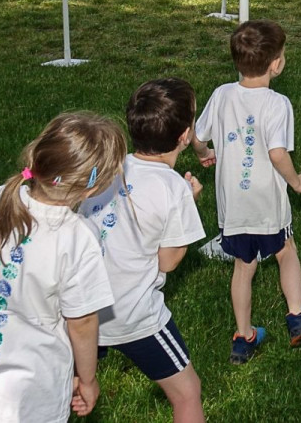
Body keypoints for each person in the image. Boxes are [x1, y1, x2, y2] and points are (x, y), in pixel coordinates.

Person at [0, 113, 126, 423]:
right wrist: (87, 379)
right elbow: (82, 321)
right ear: (91, 189)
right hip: (32, 400)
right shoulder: (76, 237)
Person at [192, 19, 301, 364]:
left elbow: (198, 137)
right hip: (267, 205)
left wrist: (204, 154)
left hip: (234, 208)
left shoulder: (222, 94)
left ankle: (244, 337)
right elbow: (277, 152)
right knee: (286, 250)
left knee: (243, 265)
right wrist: (297, 181)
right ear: (276, 64)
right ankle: (298, 317)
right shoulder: (277, 104)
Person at [80, 79, 207, 422]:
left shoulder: (107, 166)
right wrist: (187, 204)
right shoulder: (173, 189)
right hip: (134, 315)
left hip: (81, 309)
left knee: (67, 391)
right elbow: (167, 260)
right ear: (184, 136)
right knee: (187, 394)